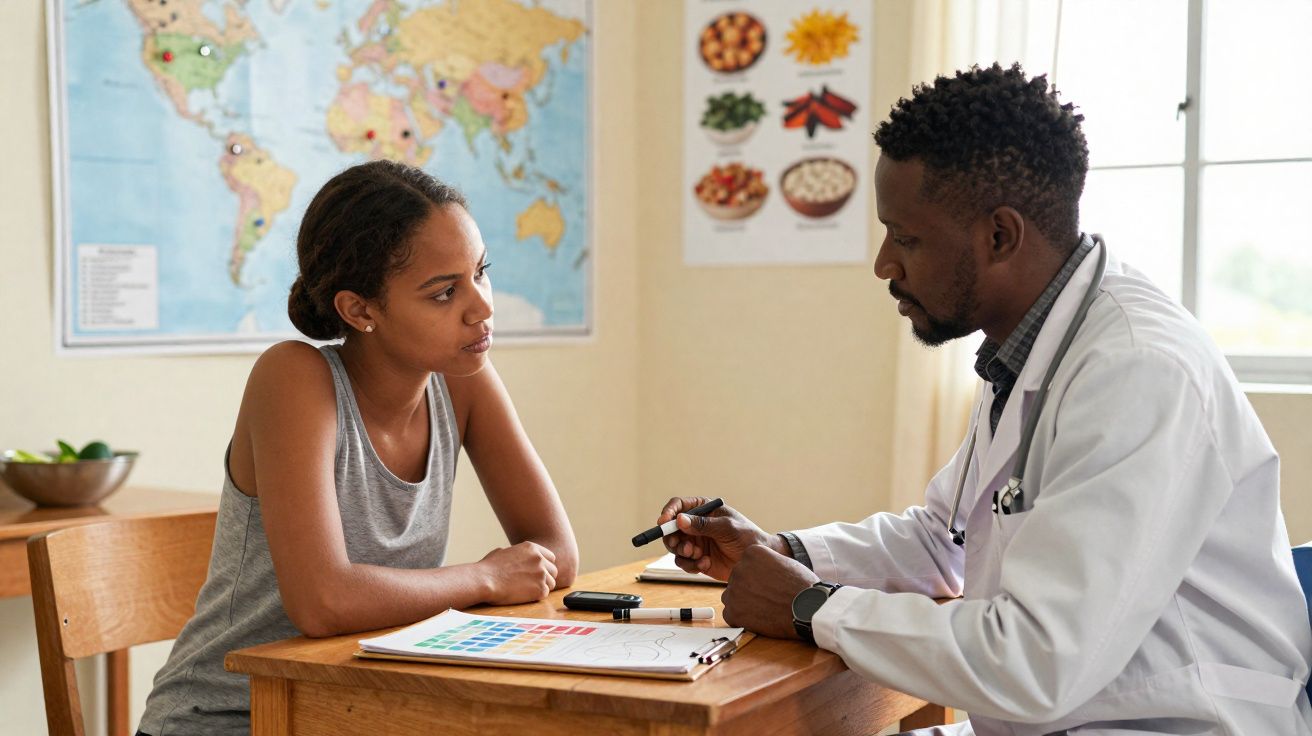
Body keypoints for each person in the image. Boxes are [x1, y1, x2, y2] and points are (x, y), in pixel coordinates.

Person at [656, 63, 1312, 735]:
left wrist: (809, 606)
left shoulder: (1137, 372)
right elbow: (947, 541)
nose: (884, 264)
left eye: (906, 237)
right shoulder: (1033, 346)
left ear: (1000, 235)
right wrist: (785, 551)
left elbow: (1037, 662)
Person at [137, 160, 578, 736]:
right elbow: (322, 602)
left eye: (480, 273)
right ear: (360, 310)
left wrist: (503, 575)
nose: (482, 307)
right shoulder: (294, 378)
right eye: (444, 292)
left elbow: (555, 556)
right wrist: (485, 578)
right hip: (229, 716)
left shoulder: (465, 379)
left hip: (357, 710)